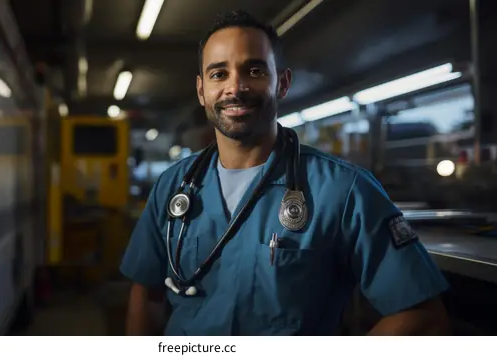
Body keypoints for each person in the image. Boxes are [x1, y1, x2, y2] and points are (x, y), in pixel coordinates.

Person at [119, 10, 450, 336]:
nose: (235, 87)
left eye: (254, 70)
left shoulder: (344, 190)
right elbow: (146, 295)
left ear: (283, 83)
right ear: (201, 90)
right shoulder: (172, 187)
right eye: (219, 74)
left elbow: (421, 315)